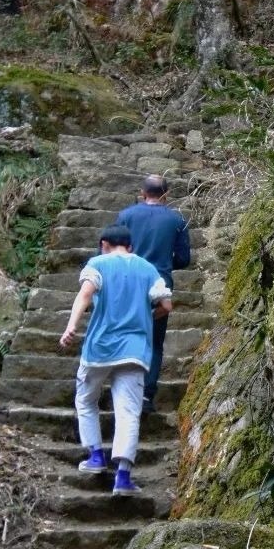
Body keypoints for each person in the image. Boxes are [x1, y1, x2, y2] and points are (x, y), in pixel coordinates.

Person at [59, 225, 172, 495]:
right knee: (128, 412)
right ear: (130, 247)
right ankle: (123, 477)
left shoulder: (98, 264)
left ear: (104, 244)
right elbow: (166, 305)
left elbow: (86, 294)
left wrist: (71, 326)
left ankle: (96, 456)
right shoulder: (147, 269)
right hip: (135, 349)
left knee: (86, 400)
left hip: (100, 346)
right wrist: (146, 318)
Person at [114, 175, 191, 414]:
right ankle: (146, 395)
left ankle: (122, 390)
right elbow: (184, 259)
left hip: (127, 281)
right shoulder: (177, 220)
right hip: (159, 283)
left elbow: (112, 250)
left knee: (124, 333)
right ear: (166, 195)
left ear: (142, 193)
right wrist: (165, 263)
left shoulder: (126, 216)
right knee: (154, 342)